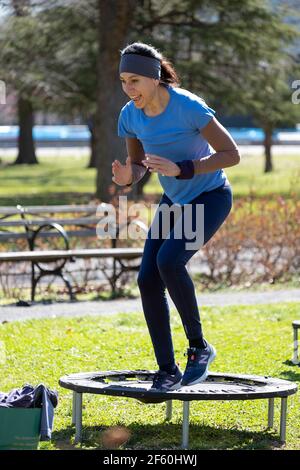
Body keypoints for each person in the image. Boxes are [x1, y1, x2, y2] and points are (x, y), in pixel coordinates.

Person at [112, 42, 240, 392]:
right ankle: (167, 371)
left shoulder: (188, 106)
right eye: (124, 80)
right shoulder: (130, 115)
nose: (129, 89)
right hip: (175, 199)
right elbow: (139, 164)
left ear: (154, 78)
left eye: (135, 80)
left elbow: (231, 154)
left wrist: (184, 168)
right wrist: (129, 178)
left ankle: (199, 348)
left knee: (170, 261)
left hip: (210, 196)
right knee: (147, 280)